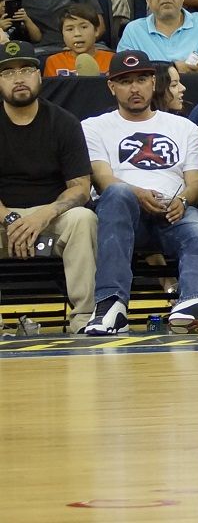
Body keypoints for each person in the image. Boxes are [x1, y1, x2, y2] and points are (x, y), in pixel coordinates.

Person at [81, 49, 198, 336]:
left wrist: (182, 199)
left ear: (153, 83)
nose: (134, 88)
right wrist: (138, 192)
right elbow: (103, 178)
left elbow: (195, 181)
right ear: (111, 86)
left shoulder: (184, 127)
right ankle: (111, 306)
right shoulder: (93, 127)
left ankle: (195, 303)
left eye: (141, 79)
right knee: (116, 194)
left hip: (173, 209)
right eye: (125, 81)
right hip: (124, 211)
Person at [1, 38, 99, 333]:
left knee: (83, 218)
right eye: (7, 72)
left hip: (49, 223)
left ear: (40, 75)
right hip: (5, 223)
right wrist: (11, 218)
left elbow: (80, 187)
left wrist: (42, 215)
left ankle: (83, 319)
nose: (18, 79)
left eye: (26, 70)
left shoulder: (64, 122)